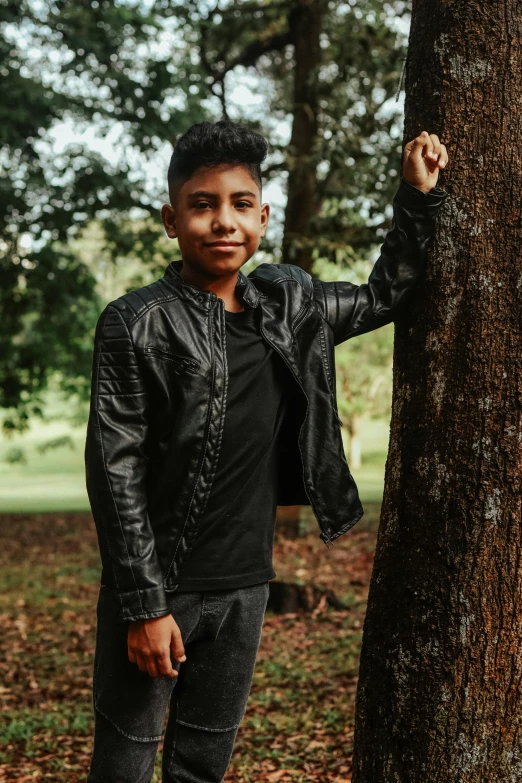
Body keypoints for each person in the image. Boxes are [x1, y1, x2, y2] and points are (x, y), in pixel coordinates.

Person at [84, 120, 449, 782]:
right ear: (171, 219)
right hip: (158, 589)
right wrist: (143, 605)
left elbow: (384, 295)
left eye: (241, 204)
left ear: (263, 216)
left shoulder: (290, 303)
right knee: (125, 763)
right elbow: (115, 471)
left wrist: (416, 196)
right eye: (203, 204)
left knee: (202, 762)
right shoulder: (137, 323)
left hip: (245, 585)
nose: (224, 221)